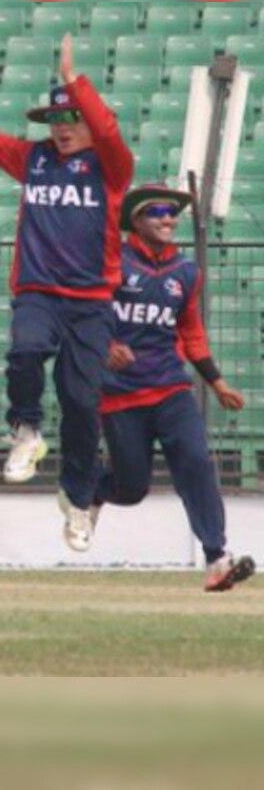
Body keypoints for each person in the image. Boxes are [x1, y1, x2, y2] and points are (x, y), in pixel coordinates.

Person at [0, 33, 135, 552]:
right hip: (39, 292)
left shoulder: (112, 168)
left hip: (92, 303)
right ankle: (25, 429)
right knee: (24, 350)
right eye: (56, 121)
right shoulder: (34, 160)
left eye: (72, 120)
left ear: (90, 123)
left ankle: (77, 501)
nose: (64, 129)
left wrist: (76, 82)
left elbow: (111, 132)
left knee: (82, 403)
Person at [96, 183, 255, 592]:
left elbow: (191, 331)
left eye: (173, 211)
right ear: (134, 219)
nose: (169, 218)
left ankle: (217, 557)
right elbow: (84, 314)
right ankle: (87, 490)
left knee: (197, 462)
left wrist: (216, 382)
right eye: (158, 211)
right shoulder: (111, 261)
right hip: (119, 393)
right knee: (131, 489)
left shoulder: (186, 272)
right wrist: (106, 345)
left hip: (170, 388)